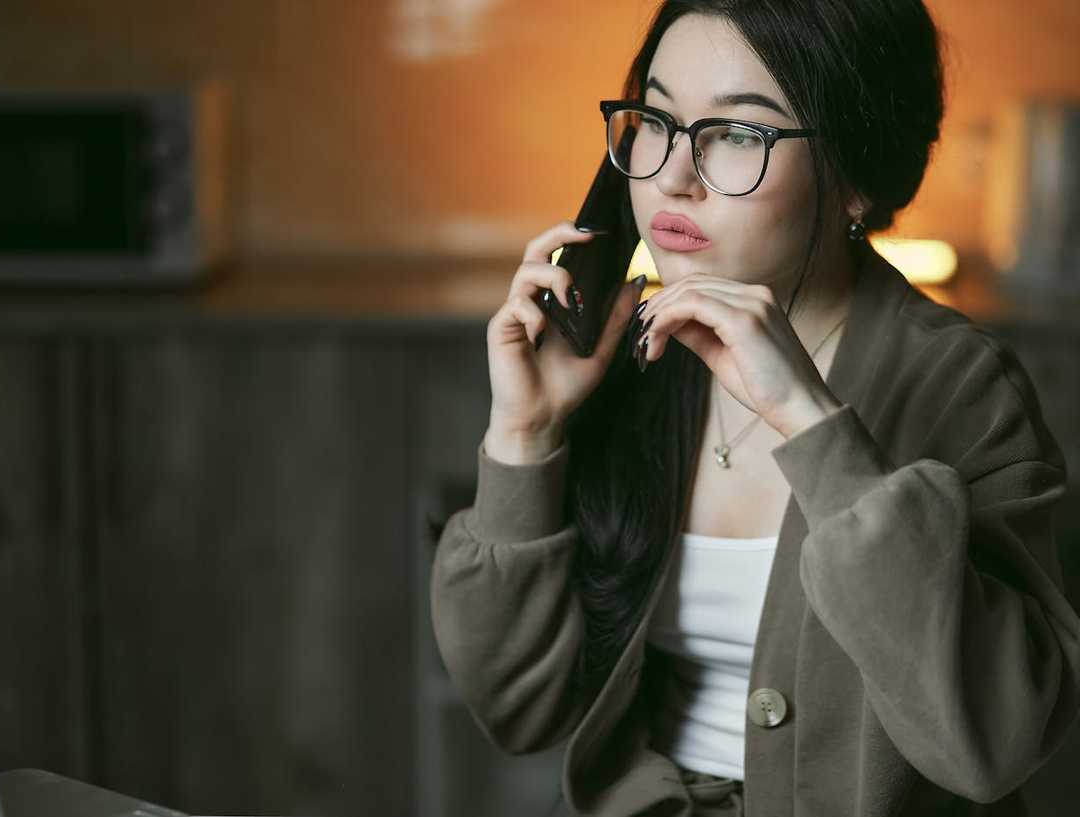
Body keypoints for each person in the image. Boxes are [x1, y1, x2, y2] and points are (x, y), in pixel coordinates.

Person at [430, 2, 1080, 815]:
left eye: (738, 134)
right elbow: (515, 708)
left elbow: (995, 741)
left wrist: (814, 426)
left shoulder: (961, 383)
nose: (673, 176)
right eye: (656, 121)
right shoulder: (627, 353)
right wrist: (525, 435)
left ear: (856, 179)